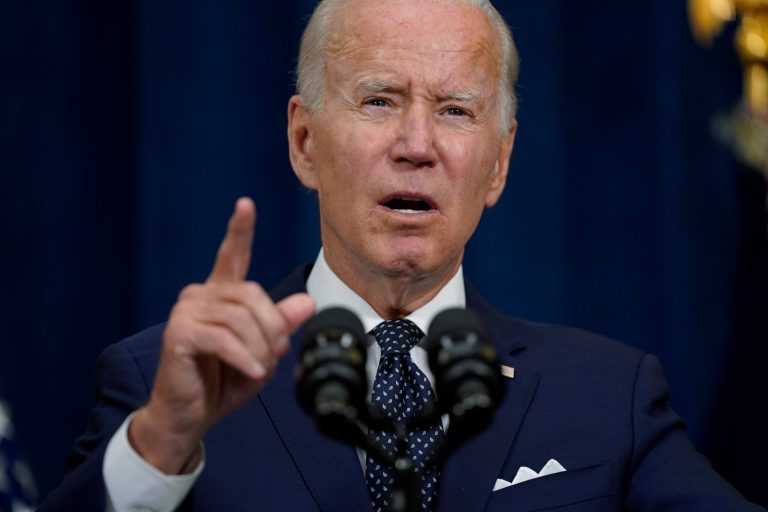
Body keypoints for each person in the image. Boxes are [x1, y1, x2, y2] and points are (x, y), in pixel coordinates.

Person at [40, 0, 765, 511]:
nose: (417, 145)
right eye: (380, 100)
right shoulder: (167, 387)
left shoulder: (609, 395)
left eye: (455, 110)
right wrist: (162, 439)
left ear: (499, 164)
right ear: (304, 142)